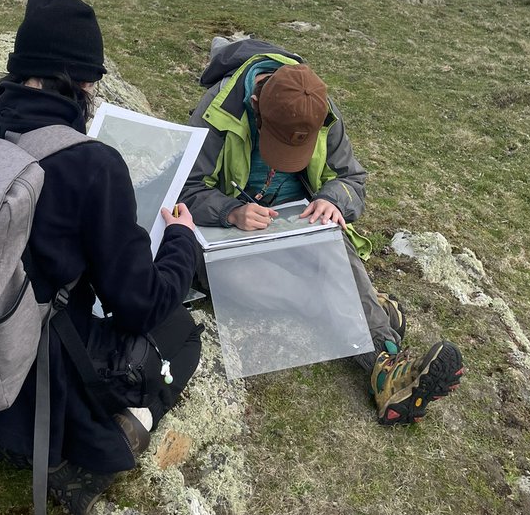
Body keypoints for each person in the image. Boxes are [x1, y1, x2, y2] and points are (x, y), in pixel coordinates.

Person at [0, 0, 202, 515]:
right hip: (33, 376)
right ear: (85, 84)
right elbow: (138, 304)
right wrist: (182, 242)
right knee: (180, 335)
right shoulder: (92, 163)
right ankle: (87, 451)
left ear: (17, 68)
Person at [180, 37, 463, 425]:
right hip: (230, 240)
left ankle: (386, 366)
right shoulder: (217, 111)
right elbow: (184, 189)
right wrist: (231, 212)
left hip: (300, 229)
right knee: (240, 281)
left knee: (332, 241)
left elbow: (352, 181)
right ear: (256, 107)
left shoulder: (320, 111)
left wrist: (333, 199)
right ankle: (369, 313)